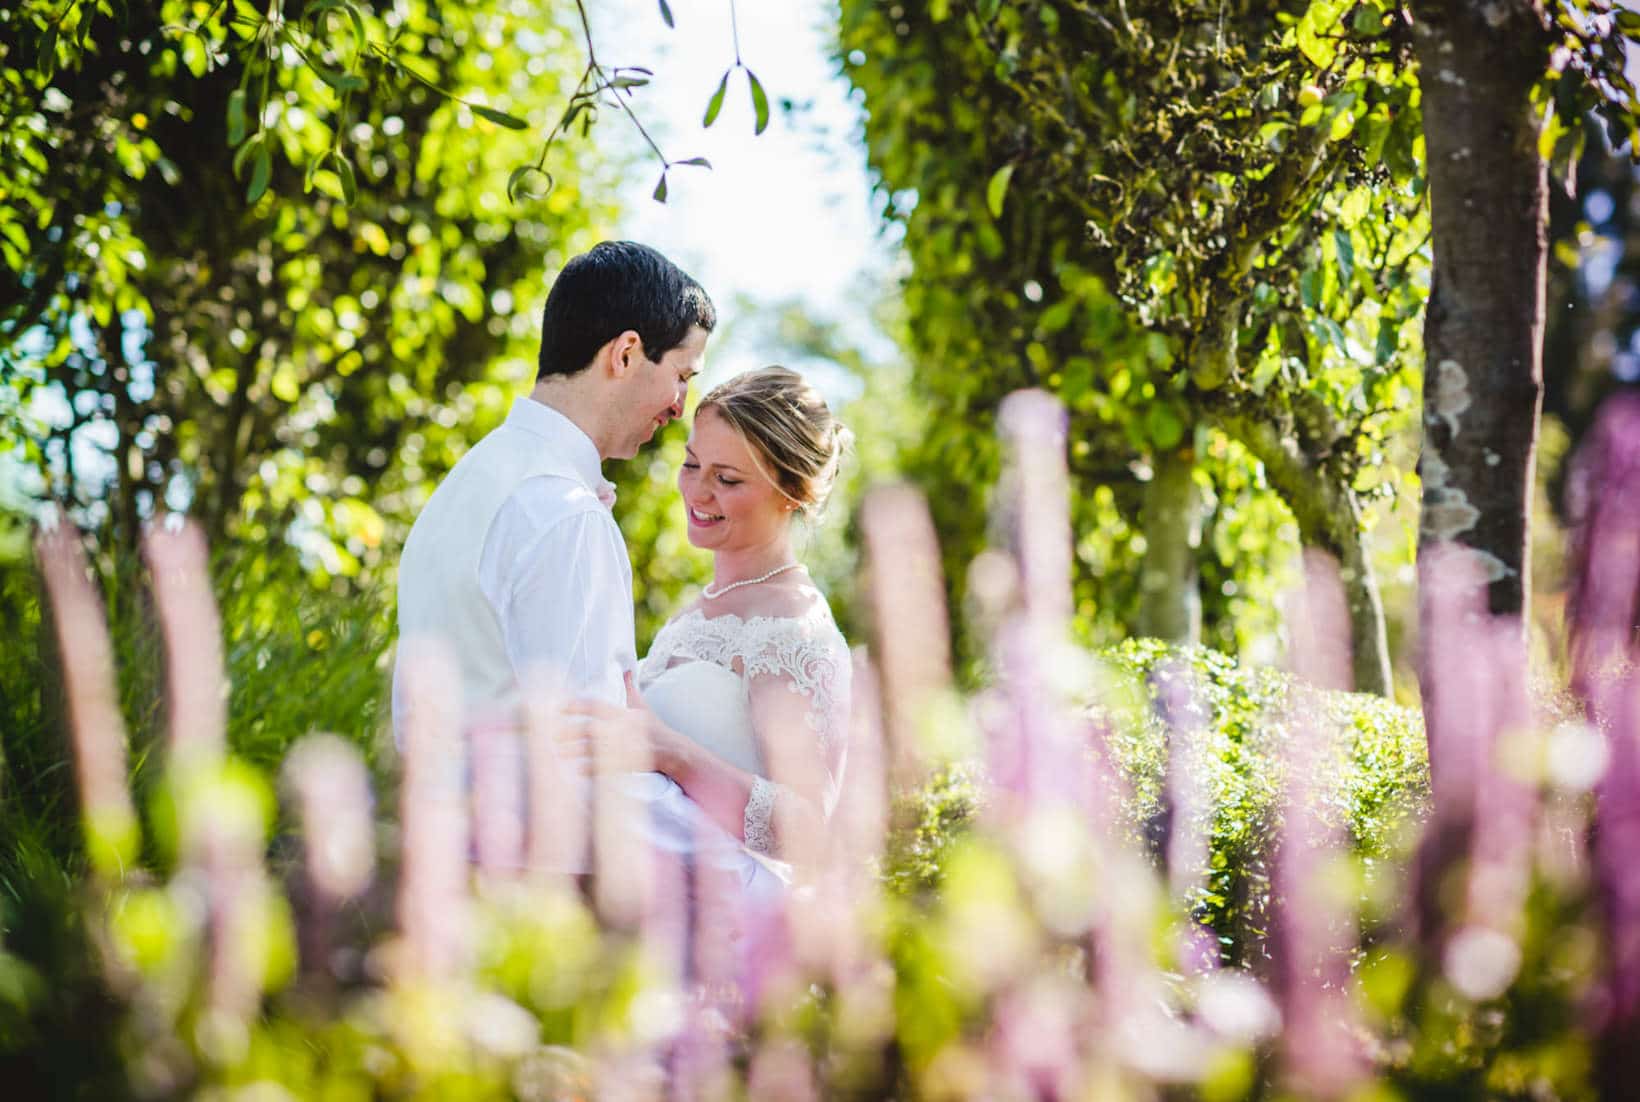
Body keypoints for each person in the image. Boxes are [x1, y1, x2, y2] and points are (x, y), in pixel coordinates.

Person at [392, 241, 767, 893]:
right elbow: (591, 770)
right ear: (625, 354)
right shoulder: (560, 511)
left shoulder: (465, 485)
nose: (680, 406)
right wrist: (755, 879)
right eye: (682, 374)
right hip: (542, 894)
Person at [632, 366, 853, 869]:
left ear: (792, 492)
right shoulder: (692, 614)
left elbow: (810, 831)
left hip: (733, 923)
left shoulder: (795, 628)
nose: (697, 492)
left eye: (727, 479)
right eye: (692, 465)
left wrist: (675, 755)